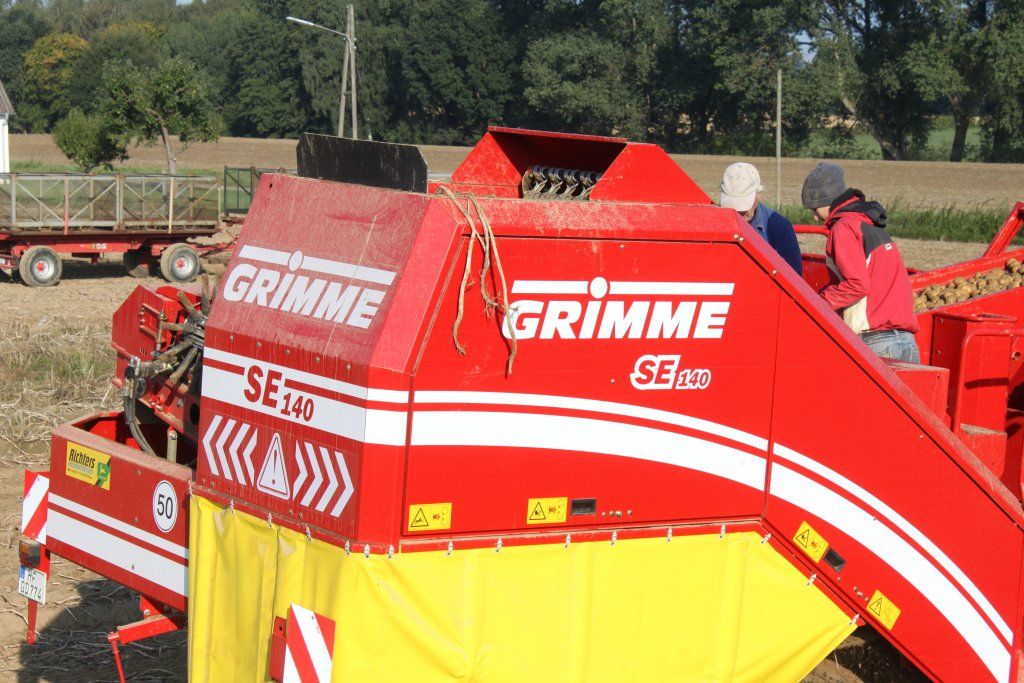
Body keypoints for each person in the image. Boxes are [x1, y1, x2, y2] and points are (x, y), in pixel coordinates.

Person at [801, 162, 920, 362]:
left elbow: (857, 284)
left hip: (876, 342)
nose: (814, 217)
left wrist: (817, 303)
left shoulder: (844, 228)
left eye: (815, 208)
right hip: (907, 343)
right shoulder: (868, 223)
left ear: (828, 200)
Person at [720, 163, 803, 275]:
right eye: (733, 205)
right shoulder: (715, 223)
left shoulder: (779, 227)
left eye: (744, 204)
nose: (739, 212)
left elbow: (794, 277)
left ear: (758, 194)